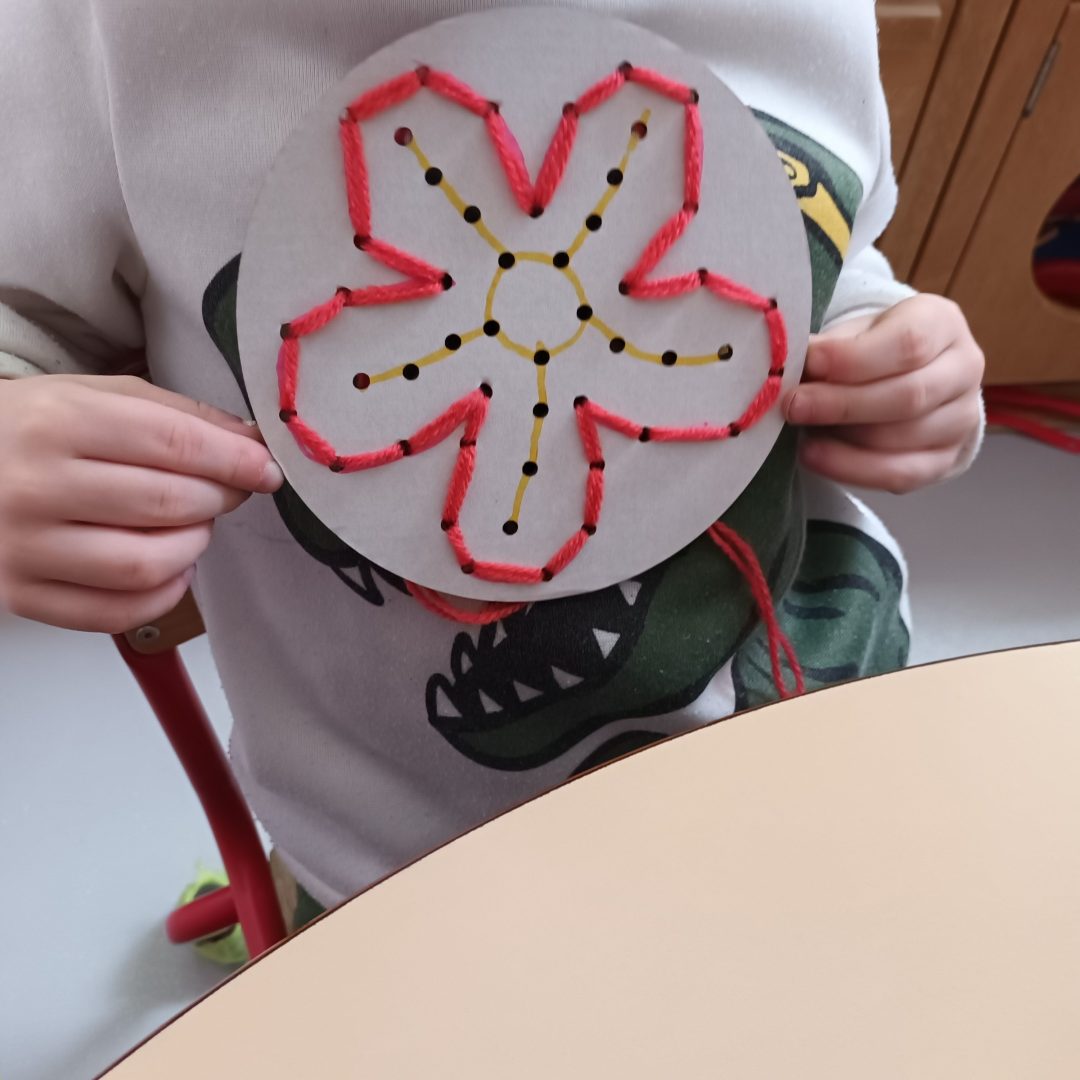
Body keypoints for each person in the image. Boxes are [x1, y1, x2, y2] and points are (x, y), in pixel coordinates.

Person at [0, 0, 984, 924]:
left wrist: (891, 343)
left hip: (827, 725)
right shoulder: (101, 34)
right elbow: (24, 319)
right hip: (401, 872)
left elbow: (832, 233)